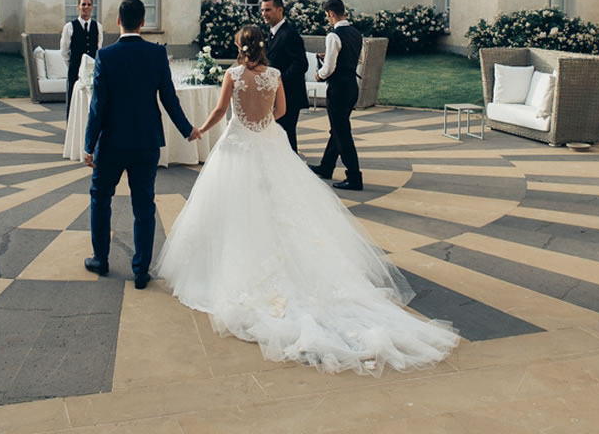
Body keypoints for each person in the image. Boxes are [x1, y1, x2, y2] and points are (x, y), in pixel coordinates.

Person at [153, 25, 458, 375]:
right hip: (269, 143)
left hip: (236, 147)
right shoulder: (276, 75)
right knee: (284, 209)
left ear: (239, 47)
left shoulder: (233, 75)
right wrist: (261, 120)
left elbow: (222, 111)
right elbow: (281, 111)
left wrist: (200, 130)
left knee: (235, 213)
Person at [83, 0, 199, 288]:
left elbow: (98, 106)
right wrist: (187, 130)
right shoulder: (156, 55)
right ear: (143, 22)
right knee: (144, 204)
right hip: (146, 142)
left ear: (118, 21)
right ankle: (141, 270)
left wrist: (88, 145)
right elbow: (169, 99)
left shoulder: (105, 56)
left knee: (100, 198)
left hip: (111, 142)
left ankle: (101, 259)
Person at [310, 0, 363, 191]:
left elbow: (329, 68)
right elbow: (356, 58)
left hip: (338, 89)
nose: (328, 19)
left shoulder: (333, 36)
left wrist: (319, 74)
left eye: (327, 16)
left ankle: (355, 177)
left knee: (342, 133)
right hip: (351, 86)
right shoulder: (356, 34)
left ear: (331, 13)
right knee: (338, 129)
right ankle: (326, 166)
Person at [260, 0, 308, 152]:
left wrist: (278, 83)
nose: (264, 14)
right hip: (278, 95)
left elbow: (301, 64)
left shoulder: (289, 34)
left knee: (286, 135)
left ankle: (293, 170)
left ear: (280, 10)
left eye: (268, 10)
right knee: (279, 135)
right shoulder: (272, 33)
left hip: (289, 95)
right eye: (262, 10)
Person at [61, 0, 103, 116]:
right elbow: (64, 51)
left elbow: (98, 48)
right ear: (78, 7)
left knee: (93, 97)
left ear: (92, 7)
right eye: (83, 4)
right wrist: (73, 65)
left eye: (89, 5)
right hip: (75, 68)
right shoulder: (69, 27)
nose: (86, 7)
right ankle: (71, 124)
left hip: (92, 69)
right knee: (73, 97)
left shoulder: (98, 27)